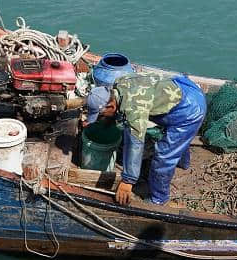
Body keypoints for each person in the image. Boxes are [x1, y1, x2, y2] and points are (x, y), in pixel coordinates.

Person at [85, 73, 207, 205]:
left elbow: (135, 145)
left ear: (111, 107)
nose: (101, 118)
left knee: (163, 158)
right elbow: (120, 113)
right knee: (179, 142)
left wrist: (128, 181)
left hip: (189, 110)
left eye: (101, 115)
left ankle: (159, 199)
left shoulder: (134, 110)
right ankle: (183, 163)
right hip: (185, 88)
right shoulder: (119, 83)